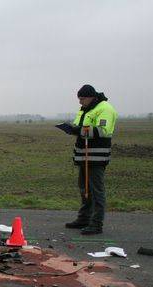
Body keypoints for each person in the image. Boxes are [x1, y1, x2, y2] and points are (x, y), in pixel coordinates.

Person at [64, 84, 117, 235]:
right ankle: (84, 219)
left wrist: (78, 130)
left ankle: (96, 223)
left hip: (96, 156)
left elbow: (103, 131)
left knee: (96, 191)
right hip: (84, 155)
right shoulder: (86, 109)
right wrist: (73, 129)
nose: (80, 102)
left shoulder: (104, 108)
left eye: (82, 99)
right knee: (84, 189)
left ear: (90, 97)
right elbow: (80, 127)